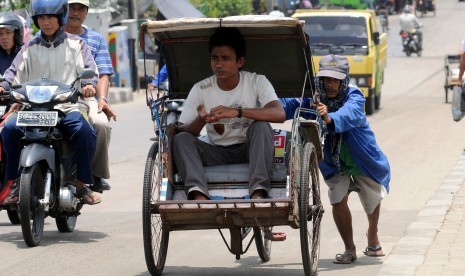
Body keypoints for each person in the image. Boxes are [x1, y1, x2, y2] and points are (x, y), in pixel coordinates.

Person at [280, 55, 390, 264]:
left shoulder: (355, 95)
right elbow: (287, 105)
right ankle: (349, 248)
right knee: (338, 198)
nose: (330, 85)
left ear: (344, 80)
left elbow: (350, 114)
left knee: (372, 199)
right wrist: (260, 107)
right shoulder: (314, 96)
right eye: (326, 79)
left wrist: (329, 117)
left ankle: (373, 235)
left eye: (335, 80)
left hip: (361, 158)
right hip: (332, 159)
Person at [0, 0, 101, 205]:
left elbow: (90, 70)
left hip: (67, 107)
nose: (46, 22)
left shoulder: (77, 44)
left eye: (50, 17)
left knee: (84, 131)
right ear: (36, 21)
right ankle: (16, 183)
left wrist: (89, 84)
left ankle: (81, 184)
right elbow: (11, 74)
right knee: (9, 129)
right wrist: (3, 85)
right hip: (32, 108)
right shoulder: (28, 48)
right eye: (41, 18)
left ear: (60, 18)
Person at [172, 27, 286, 200]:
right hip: (215, 151)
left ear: (239, 61)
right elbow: (184, 131)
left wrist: (237, 112)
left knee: (262, 126)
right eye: (214, 58)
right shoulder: (201, 88)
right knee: (181, 139)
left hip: (248, 148)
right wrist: (201, 120)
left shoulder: (256, 81)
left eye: (225, 58)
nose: (218, 64)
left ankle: (258, 192)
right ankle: (198, 194)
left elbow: (279, 114)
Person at [64, 0, 116, 193]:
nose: (75, 13)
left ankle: (95, 174)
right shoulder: (48, 35)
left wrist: (102, 99)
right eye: (71, 8)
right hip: (50, 98)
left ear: (86, 13)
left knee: (101, 124)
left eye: (80, 9)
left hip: (84, 97)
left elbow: (103, 74)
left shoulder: (95, 39)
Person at [0, 12, 23, 77]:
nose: (4, 37)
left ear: (16, 34)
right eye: (0, 33)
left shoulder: (25, 53)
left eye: (8, 32)